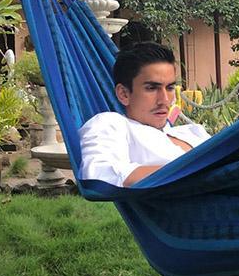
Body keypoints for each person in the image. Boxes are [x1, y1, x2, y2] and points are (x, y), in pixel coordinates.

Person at [79, 42, 209, 187]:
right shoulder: (112, 125)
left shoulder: (192, 132)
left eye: (170, 87)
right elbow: (99, 174)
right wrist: (194, 173)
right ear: (123, 94)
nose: (165, 100)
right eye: (152, 88)